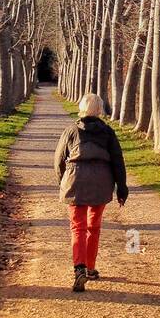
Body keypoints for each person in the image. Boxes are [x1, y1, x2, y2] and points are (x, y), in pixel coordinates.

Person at [54, 92, 128, 292]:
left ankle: (79, 268)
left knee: (77, 227)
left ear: (81, 108)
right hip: (100, 183)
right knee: (93, 227)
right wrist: (121, 188)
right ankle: (90, 268)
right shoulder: (108, 133)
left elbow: (59, 159)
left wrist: (62, 181)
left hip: (75, 181)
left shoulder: (71, 131)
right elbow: (117, 161)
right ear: (100, 110)